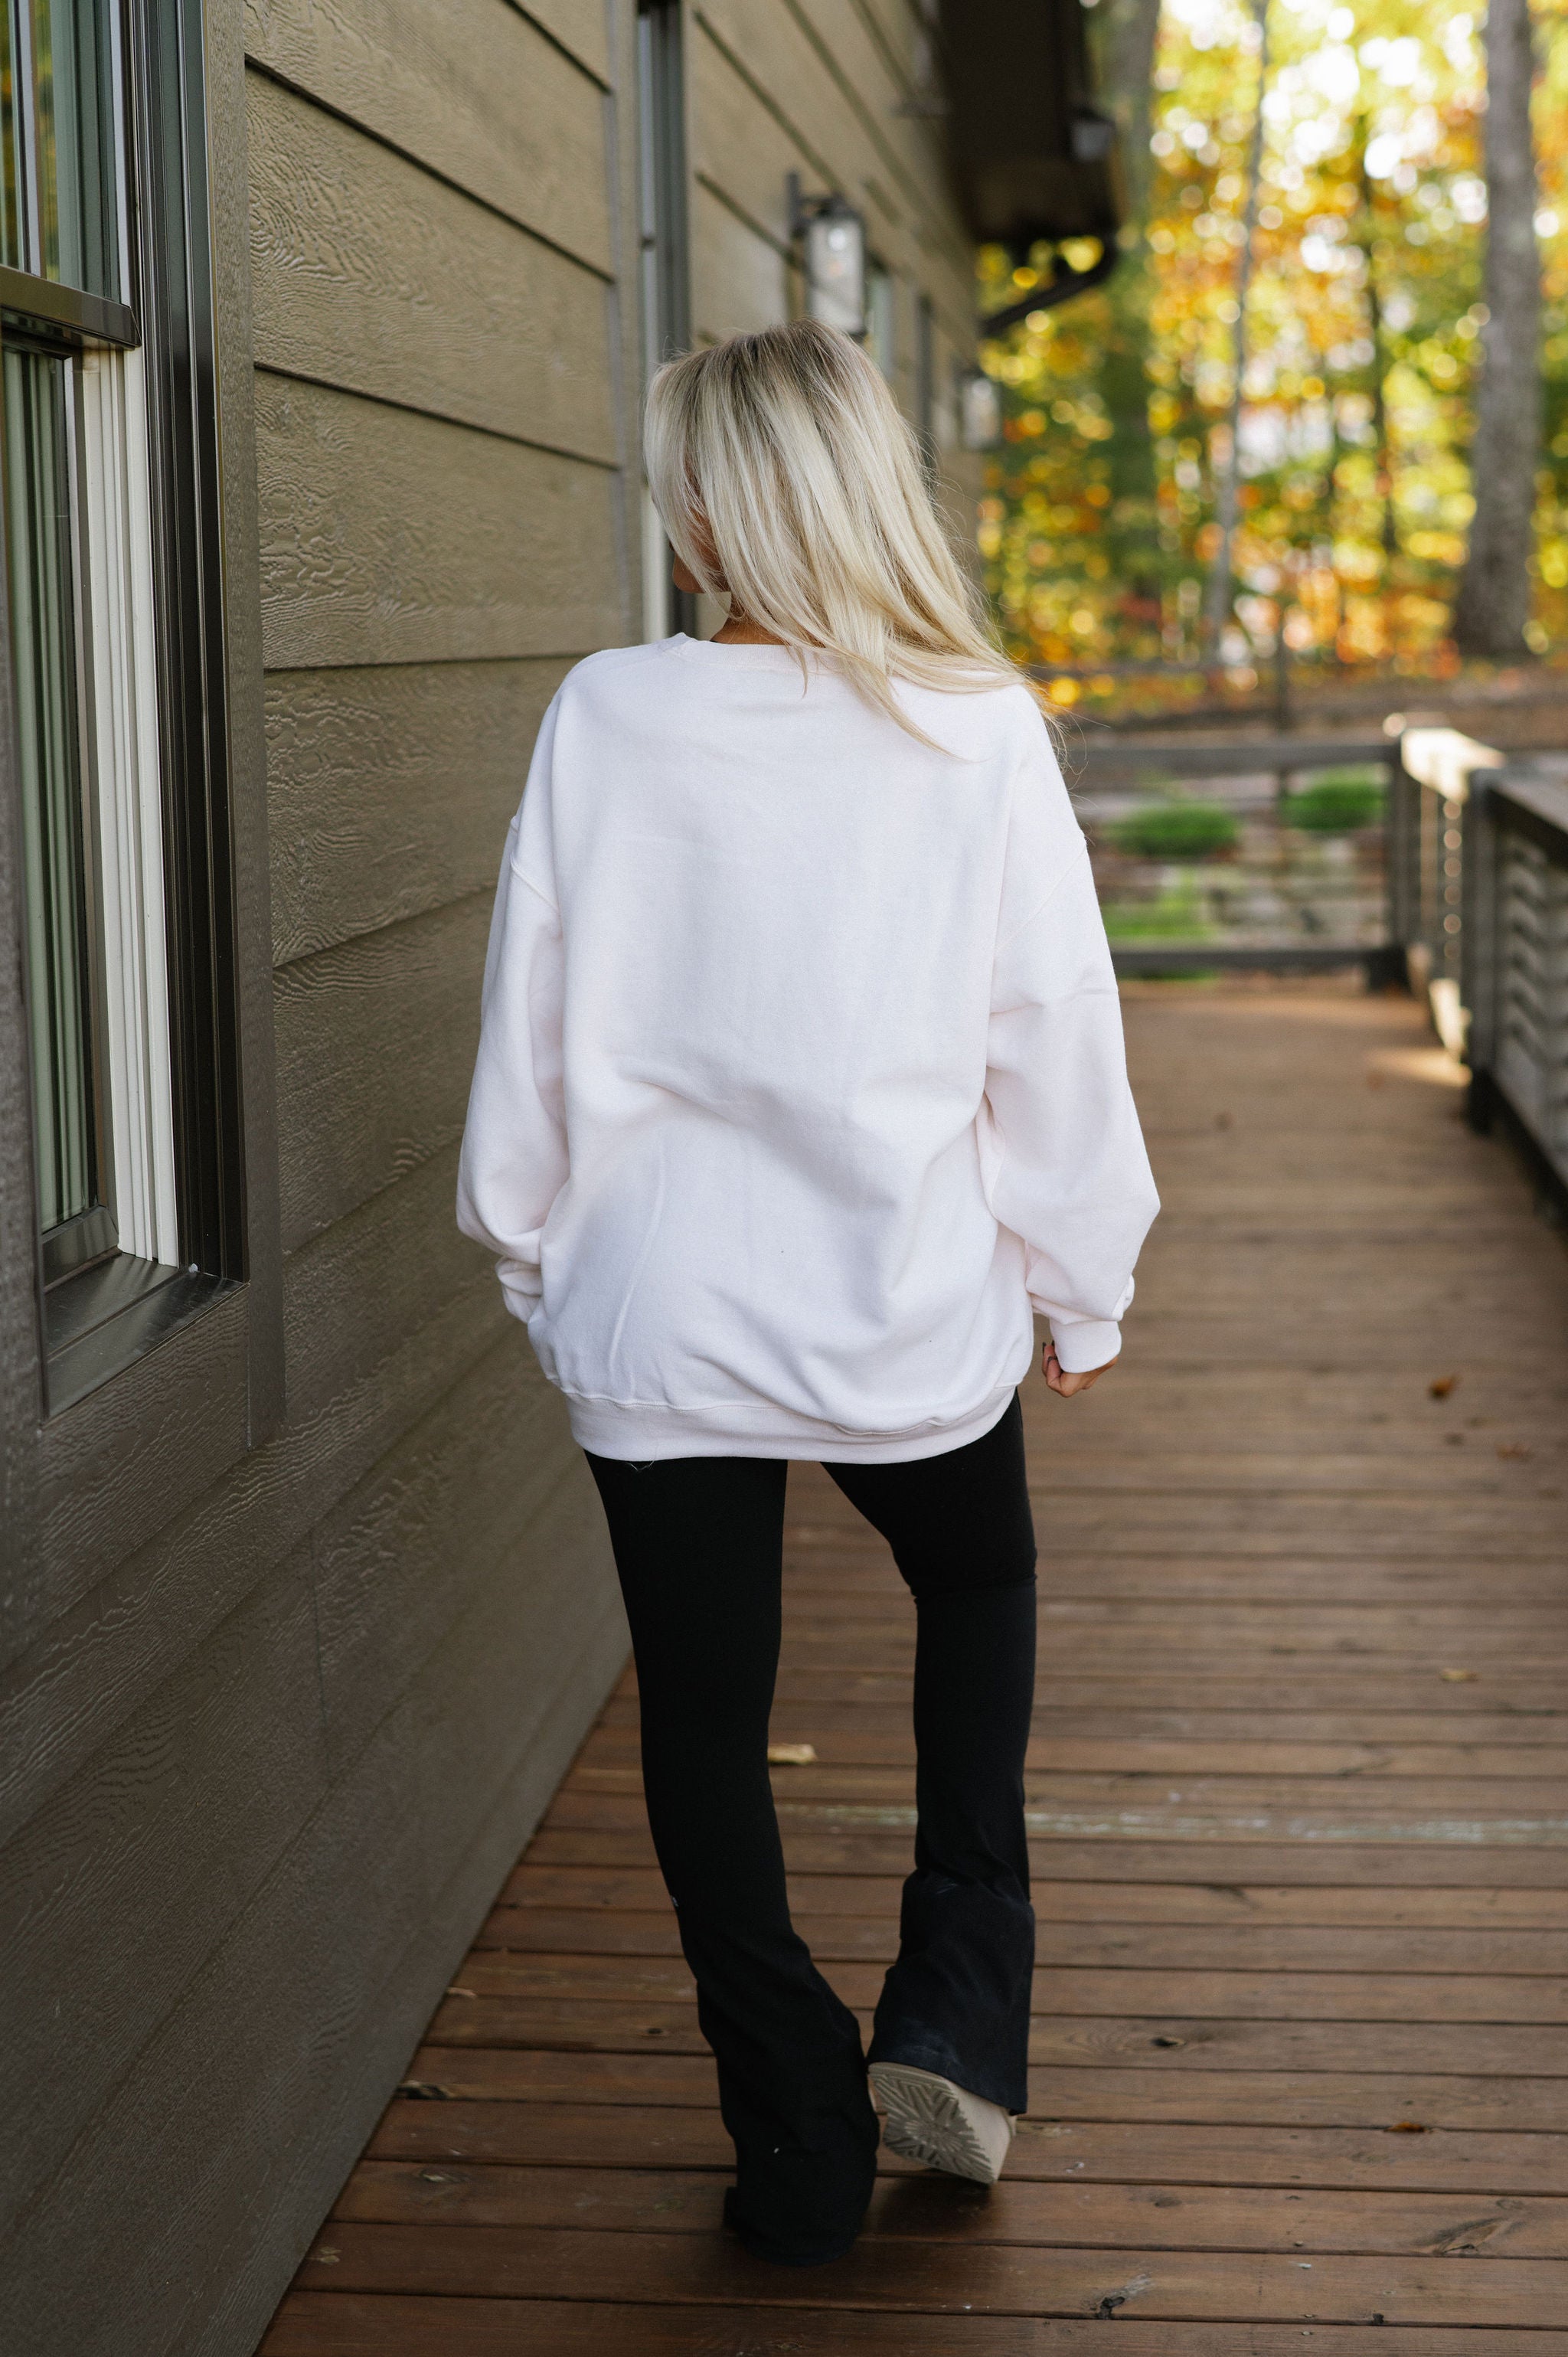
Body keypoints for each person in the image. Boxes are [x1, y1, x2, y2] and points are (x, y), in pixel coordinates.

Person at [457, 318, 1158, 2267]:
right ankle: (950, 2006)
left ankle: (791, 2138)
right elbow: (1053, 1036)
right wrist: (1082, 1288)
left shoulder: (605, 714)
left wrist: (533, 1250)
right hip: (901, 1308)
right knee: (979, 1586)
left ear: (713, 516)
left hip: (656, 1311)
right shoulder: (972, 719)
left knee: (701, 1717)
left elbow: (528, 1018)